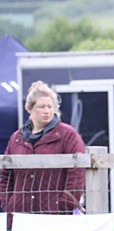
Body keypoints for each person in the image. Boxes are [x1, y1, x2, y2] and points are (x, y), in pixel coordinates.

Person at [1, 81, 87, 218]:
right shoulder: (16, 138)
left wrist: (65, 203)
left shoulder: (68, 135)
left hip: (55, 215)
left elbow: (77, 173)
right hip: (20, 215)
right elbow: (5, 174)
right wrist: (9, 203)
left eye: (50, 106)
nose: (47, 111)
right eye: (42, 106)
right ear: (29, 108)